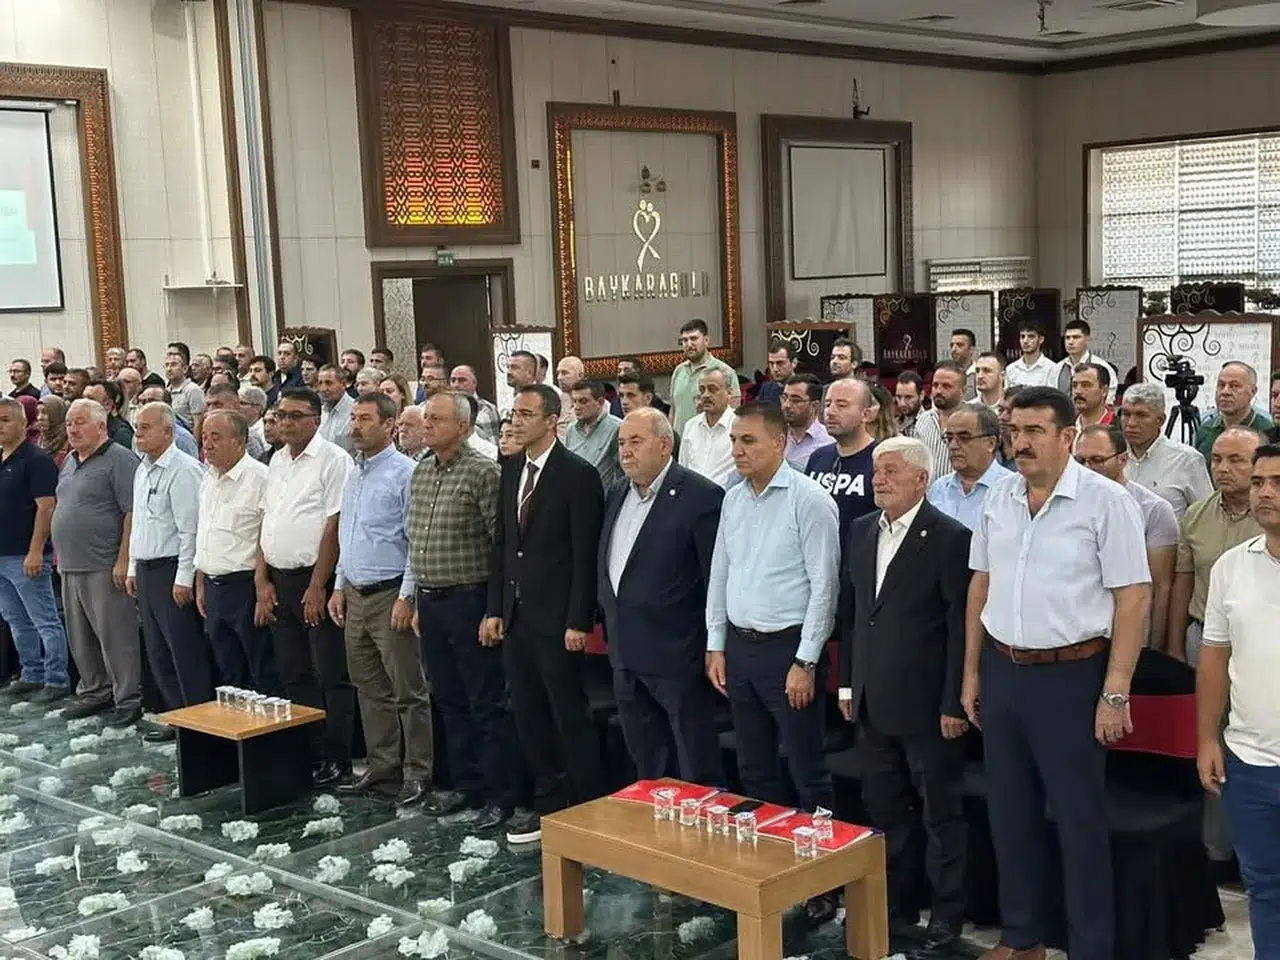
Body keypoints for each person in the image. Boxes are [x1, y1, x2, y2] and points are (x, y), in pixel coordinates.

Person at [962, 386, 1151, 960]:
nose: (1020, 443)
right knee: (1009, 814)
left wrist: (1115, 692)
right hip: (1003, 669)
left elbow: (1133, 598)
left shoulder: (1105, 502)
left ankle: (1091, 947)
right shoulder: (999, 497)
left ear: (1068, 436)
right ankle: (1023, 938)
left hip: (1072, 677)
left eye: (1034, 432)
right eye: (1014, 431)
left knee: (1077, 821)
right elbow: (981, 584)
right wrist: (971, 672)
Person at [705, 401, 840, 924]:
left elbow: (825, 587)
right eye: (734, 441)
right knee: (754, 766)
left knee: (807, 769)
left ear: (780, 442)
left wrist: (806, 660)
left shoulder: (810, 500)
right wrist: (716, 643)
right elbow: (721, 572)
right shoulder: (733, 498)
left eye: (748, 441)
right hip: (740, 648)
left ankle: (823, 880)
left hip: (789, 651)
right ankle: (773, 870)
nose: (737, 450)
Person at [839, 436, 971, 953]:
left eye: (891, 471)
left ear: (921, 479)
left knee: (940, 815)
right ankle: (896, 905)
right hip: (871, 701)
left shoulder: (949, 538)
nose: (879, 479)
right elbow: (854, 616)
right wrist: (848, 684)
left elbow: (959, 629)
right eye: (877, 471)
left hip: (928, 707)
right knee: (886, 810)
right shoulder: (861, 530)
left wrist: (953, 702)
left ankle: (947, 915)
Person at [484, 384, 604, 844]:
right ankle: (547, 801)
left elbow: (584, 554)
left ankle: (586, 805)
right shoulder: (513, 468)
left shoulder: (577, 474)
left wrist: (579, 620)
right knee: (527, 711)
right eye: (514, 413)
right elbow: (503, 544)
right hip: (516, 616)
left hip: (558, 619)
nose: (515, 421)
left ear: (552, 421)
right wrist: (495, 608)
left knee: (567, 713)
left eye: (526, 414)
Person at [413, 392, 524, 831]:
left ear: (463, 426)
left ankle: (501, 795)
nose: (427, 424)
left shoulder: (483, 472)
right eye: (426, 417)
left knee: (485, 702)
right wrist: (414, 596)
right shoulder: (422, 470)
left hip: (470, 600)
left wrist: (493, 609)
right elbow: (416, 538)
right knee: (448, 699)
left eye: (436, 419)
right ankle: (466, 785)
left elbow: (501, 547)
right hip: (431, 599)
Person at [599, 408, 725, 784]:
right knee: (646, 758)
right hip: (625, 650)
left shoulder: (701, 497)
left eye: (636, 442)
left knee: (693, 758)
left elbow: (713, 579)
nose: (626, 451)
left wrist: (711, 645)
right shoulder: (616, 492)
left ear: (665, 445)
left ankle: (701, 819)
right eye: (622, 443)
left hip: (677, 653)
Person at [1196, 442, 1280, 958]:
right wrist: (1207, 738)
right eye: (1260, 482)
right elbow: (1213, 660)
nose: (1265, 492)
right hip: (1251, 761)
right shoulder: (1231, 567)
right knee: (1264, 887)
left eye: (1278, 482)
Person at [328, 393, 431, 806]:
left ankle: (418, 772)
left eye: (365, 418)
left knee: (408, 689)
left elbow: (415, 541)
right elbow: (348, 534)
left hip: (390, 593)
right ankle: (382, 766)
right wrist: (339, 584)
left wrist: (407, 596)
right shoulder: (354, 473)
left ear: (389, 425)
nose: (355, 425)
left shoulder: (406, 474)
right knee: (369, 687)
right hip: (355, 593)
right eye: (353, 418)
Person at [257, 387, 355, 786]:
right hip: (278, 578)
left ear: (316, 419)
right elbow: (267, 521)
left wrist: (318, 585)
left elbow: (334, 525)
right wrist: (261, 579)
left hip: (316, 578)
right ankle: (308, 750)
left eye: (296, 416)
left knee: (330, 672)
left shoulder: (334, 460)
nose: (286, 422)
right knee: (293, 671)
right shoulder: (276, 461)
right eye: (281, 415)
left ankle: (338, 756)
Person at [52, 399, 142, 727]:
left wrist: (123, 560)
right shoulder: (70, 460)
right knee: (80, 637)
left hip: (104, 563)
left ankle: (128, 697)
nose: (72, 429)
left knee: (115, 636)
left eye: (80, 422)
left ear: (101, 425)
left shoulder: (120, 459)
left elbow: (131, 512)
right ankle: (95, 689)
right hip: (71, 564)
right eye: (69, 423)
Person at [127, 402, 210, 738]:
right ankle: (177, 719)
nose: (138, 433)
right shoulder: (142, 468)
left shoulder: (184, 469)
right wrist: (132, 567)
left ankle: (198, 723)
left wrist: (184, 578)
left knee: (183, 651)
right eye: (137, 427)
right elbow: (139, 523)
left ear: (167, 431)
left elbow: (190, 530)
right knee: (158, 651)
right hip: (147, 570)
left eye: (145, 427)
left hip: (172, 569)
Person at [196, 410, 278, 694]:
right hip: (213, 586)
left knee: (261, 669)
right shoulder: (207, 477)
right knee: (228, 671)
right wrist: (201, 583)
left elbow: (266, 538)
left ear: (240, 442)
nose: (207, 445)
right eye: (204, 437)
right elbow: (205, 533)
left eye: (216, 437)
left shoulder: (260, 479)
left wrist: (261, 587)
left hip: (246, 587)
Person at [1075, 424, 1179, 647]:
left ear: (1122, 460)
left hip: (1129, 635)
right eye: (1080, 461)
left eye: (1097, 460)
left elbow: (1160, 587)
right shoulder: (1067, 504)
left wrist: (1154, 649)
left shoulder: (1153, 509)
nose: (1087, 468)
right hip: (1078, 637)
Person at [1167, 428, 1263, 666]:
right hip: (1204, 635)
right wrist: (1175, 645)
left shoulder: (1272, 516)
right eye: (1216, 459)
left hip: (1262, 637)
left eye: (1236, 460)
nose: (1222, 468)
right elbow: (1184, 583)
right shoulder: (1196, 515)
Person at [0, 398, 69, 702]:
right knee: (16, 619)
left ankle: (56, 679)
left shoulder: (36, 459)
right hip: (2, 553)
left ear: (22, 423)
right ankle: (31, 673)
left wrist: (36, 550)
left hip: (26, 554)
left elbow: (46, 508)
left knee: (45, 620)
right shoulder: (2, 458)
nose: (0, 427)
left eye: (5, 420)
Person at [1122, 382, 1213, 520]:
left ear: (1160, 420)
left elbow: (1207, 515)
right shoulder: (1112, 455)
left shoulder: (1186, 460)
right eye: (1126, 414)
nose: (1131, 423)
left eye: (1141, 415)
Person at [805, 378, 878, 537]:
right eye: (827, 404)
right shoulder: (817, 458)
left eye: (842, 405)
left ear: (865, 414)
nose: (830, 412)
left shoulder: (880, 460)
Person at [927, 404, 1008, 531]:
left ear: (990, 443)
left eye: (964, 438)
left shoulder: (1010, 489)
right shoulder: (939, 488)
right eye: (949, 438)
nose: (953, 446)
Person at [1194, 361, 1273, 467]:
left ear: (1252, 391)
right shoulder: (1206, 429)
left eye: (1235, 386)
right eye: (1221, 385)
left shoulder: (1267, 430)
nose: (1225, 392)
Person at [669, 319, 737, 435]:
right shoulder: (678, 371)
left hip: (712, 440)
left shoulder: (724, 371)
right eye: (685, 340)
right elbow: (673, 410)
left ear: (706, 341)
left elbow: (734, 413)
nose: (689, 344)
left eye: (694, 339)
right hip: (681, 441)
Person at [679, 368, 737, 489]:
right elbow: (683, 468)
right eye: (702, 390)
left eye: (712, 389)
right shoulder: (691, 426)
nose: (705, 395)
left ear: (729, 393)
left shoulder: (739, 425)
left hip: (725, 496)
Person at [564, 380, 623, 490]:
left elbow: (623, 472)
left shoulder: (617, 428)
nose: (577, 407)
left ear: (600, 402)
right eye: (574, 401)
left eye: (583, 401)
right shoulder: (571, 430)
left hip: (603, 497)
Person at [915, 362, 967, 481]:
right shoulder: (923, 420)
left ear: (963, 391)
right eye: (935, 385)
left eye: (946, 386)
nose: (938, 391)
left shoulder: (974, 421)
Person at [1055, 319, 1118, 403]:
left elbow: (1108, 400)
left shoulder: (1102, 366)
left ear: (1087, 339)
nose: (1070, 342)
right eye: (1067, 338)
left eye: (1076, 337)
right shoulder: (1057, 368)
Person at [781, 374, 831, 470]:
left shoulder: (828, 442)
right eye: (784, 398)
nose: (787, 405)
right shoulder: (774, 436)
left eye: (795, 400)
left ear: (814, 405)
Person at [135, 386, 200, 458]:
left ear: (168, 405)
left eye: (151, 401)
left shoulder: (182, 439)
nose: (145, 405)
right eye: (142, 401)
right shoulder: (137, 435)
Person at [207, 383, 265, 458]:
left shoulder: (249, 440)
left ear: (235, 405)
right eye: (208, 405)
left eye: (217, 405)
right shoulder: (206, 435)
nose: (211, 410)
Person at [448, 365, 500, 445]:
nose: (456, 385)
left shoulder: (486, 410)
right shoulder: (446, 408)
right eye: (453, 380)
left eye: (462, 380)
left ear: (474, 382)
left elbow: (492, 446)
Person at [163, 348, 206, 436]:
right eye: (166, 365)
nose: (169, 369)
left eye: (174, 365)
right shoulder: (166, 391)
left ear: (185, 369)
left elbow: (198, 422)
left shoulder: (193, 390)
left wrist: (194, 443)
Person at [1003, 322, 1057, 389]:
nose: (1025, 341)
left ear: (1041, 339)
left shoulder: (1052, 368)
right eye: (1022, 337)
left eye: (1031, 336)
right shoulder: (1011, 369)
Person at [83, 380, 134, 450]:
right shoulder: (79, 426)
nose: (82, 403)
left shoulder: (121, 433)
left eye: (90, 399)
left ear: (108, 404)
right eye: (83, 398)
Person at [316, 365, 355, 455]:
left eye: (328, 383)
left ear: (343, 385)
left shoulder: (356, 411)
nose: (323, 389)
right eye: (320, 383)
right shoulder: (320, 413)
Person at [1071, 362, 1113, 429]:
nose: (1077, 391)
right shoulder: (1064, 427)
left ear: (1104, 390)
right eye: (1074, 385)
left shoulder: (1120, 429)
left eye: (1085, 385)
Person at [758, 340, 797, 405]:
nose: (775, 369)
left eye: (780, 363)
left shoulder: (805, 389)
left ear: (794, 363)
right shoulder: (766, 390)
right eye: (771, 363)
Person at [36, 395, 69, 468]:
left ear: (56, 413)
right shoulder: (38, 440)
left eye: (45, 412)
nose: (39, 418)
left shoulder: (70, 442)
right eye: (37, 413)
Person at [950, 328, 979, 399]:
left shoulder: (980, 374)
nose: (953, 349)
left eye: (959, 345)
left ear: (971, 349)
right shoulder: (946, 373)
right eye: (952, 345)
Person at [895, 372, 924, 437]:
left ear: (921, 395)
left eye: (908, 397)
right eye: (899, 397)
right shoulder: (892, 424)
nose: (902, 403)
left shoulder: (930, 424)